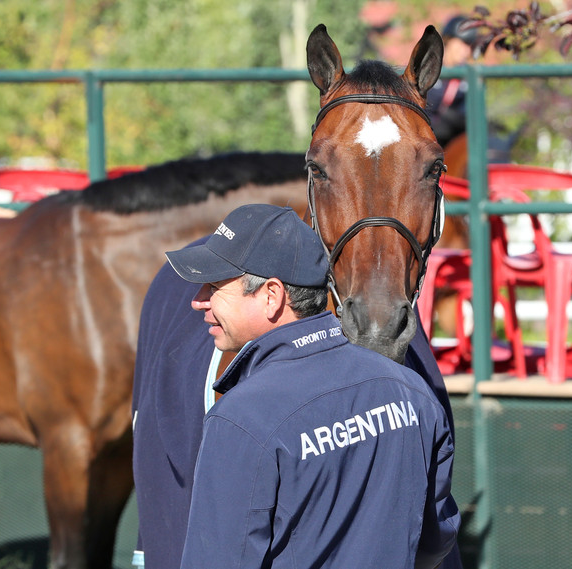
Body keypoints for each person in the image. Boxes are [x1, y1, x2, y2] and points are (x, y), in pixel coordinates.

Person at [157, 204, 460, 569]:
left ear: (272, 295)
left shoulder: (240, 420)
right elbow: (435, 539)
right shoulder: (410, 391)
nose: (198, 300)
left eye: (215, 286)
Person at [427, 15, 480, 148]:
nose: (467, 51)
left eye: (470, 46)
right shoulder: (426, 68)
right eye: (463, 43)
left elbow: (468, 114)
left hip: (450, 142)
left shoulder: (466, 76)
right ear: (448, 40)